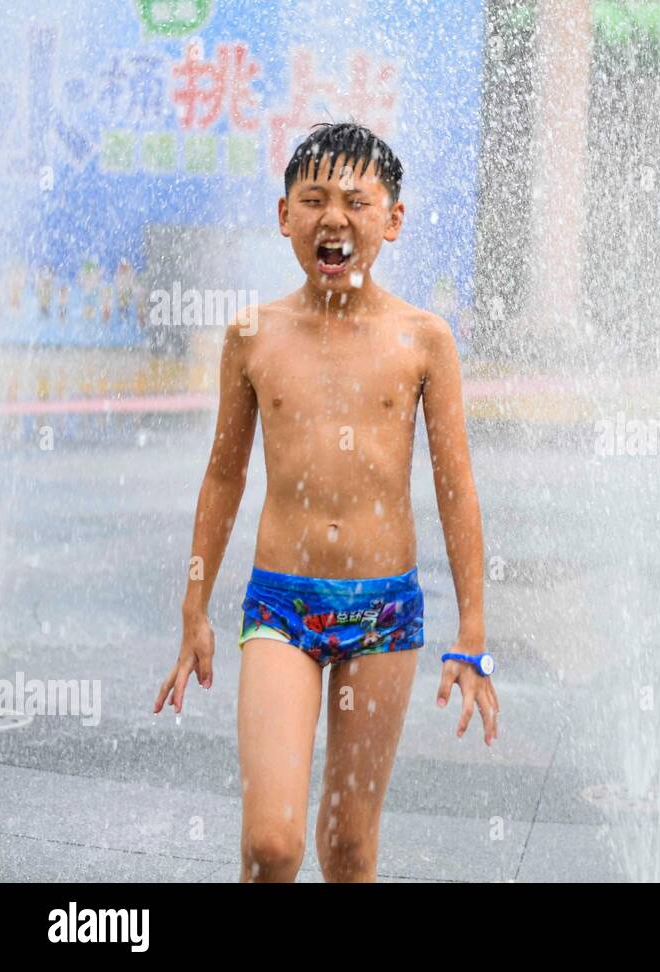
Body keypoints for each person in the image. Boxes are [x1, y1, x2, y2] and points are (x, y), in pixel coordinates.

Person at [153, 122, 498, 883]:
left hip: (384, 613)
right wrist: (194, 605)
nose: (333, 219)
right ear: (285, 216)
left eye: (355, 201)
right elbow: (223, 476)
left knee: (347, 850)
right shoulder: (254, 335)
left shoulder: (422, 339)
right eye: (313, 200)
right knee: (273, 844)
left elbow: (456, 487)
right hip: (281, 603)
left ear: (392, 220)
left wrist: (472, 628)